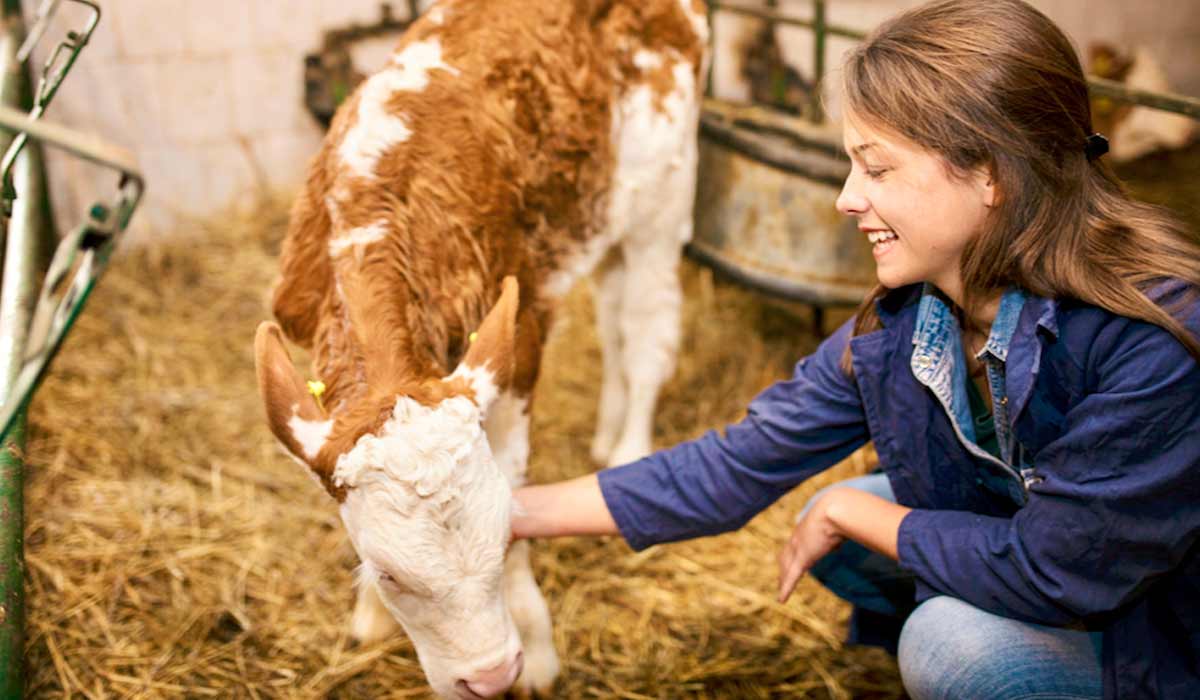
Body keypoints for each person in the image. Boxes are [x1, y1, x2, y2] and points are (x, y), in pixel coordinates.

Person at [510, 1, 1200, 698]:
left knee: (948, 645)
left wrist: (861, 515)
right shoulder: (920, 315)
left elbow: (1056, 569)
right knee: (849, 526)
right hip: (1076, 560)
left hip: (1167, 640)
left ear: (990, 173)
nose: (845, 199)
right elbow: (740, 461)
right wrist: (512, 513)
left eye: (877, 169)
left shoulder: (1148, 338)